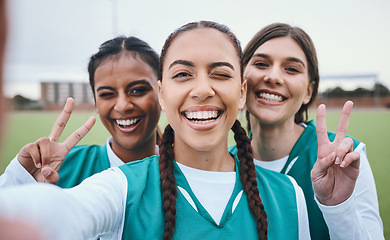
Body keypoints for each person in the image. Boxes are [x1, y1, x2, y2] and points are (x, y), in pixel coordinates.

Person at [0, 20, 312, 240]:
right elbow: (63, 213)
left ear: (242, 92)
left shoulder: (289, 196)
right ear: (162, 93)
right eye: (183, 74)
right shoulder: (120, 187)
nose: (202, 89)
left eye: (219, 73)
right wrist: (19, 182)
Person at [230, 23, 384, 239]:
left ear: (308, 92)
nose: (273, 77)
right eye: (261, 63)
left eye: (291, 69)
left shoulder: (344, 158)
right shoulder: (224, 164)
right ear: (241, 80)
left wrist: (339, 206)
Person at [0, 36, 161, 187]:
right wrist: (20, 179)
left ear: (162, 92)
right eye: (107, 94)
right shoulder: (59, 166)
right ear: (96, 102)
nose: (122, 106)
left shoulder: (184, 166)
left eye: (137, 90)